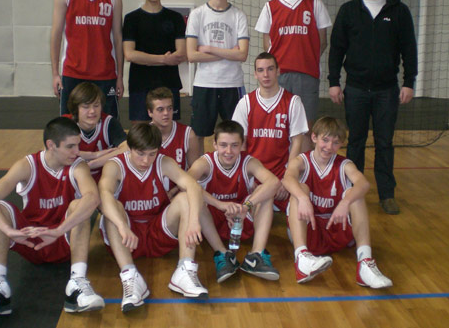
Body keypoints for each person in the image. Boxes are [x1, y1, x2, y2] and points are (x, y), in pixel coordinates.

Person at [0, 117, 104, 315]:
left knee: (80, 206)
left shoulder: (78, 166)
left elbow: (93, 198)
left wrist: (58, 231)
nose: (77, 152)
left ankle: (76, 283)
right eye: (70, 146)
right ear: (51, 145)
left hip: (64, 240)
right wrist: (8, 231)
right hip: (30, 240)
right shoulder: (28, 165)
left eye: (78, 145)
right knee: (0, 207)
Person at [328, 0, 418, 215]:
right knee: (355, 142)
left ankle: (387, 195)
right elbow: (337, 49)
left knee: (384, 143)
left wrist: (409, 82)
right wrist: (334, 82)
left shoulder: (399, 11)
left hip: (386, 90)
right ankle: (352, 193)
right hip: (355, 89)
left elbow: (409, 49)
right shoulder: (348, 11)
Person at [97, 123, 208, 313]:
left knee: (185, 198)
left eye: (152, 154)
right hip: (128, 235)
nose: (146, 160)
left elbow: (193, 186)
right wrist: (122, 226)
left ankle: (185, 269)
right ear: (129, 148)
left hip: (157, 229)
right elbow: (103, 195)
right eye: (140, 154)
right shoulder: (114, 165)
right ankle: (130, 276)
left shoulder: (164, 162)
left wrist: (193, 221)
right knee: (112, 208)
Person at [282, 116, 393, 288]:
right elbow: (287, 179)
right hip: (309, 230)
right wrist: (303, 198)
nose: (329, 147)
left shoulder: (344, 165)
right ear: (314, 137)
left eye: (335, 143)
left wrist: (345, 202)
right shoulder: (301, 161)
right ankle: (302, 258)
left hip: (336, 229)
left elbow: (363, 183)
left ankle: (364, 263)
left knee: (354, 195)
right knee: (299, 189)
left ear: (341, 144)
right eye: (325, 140)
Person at [255, 0, 332, 152]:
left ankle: (302, 168)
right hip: (278, 76)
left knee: (305, 128)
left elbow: (322, 41)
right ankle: (279, 166)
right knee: (278, 126)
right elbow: (267, 44)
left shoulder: (315, 3)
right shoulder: (270, 7)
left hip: (307, 75)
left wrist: (305, 57)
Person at [188, 120, 280, 283]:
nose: (228, 151)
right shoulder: (205, 163)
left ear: (242, 145)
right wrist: (220, 204)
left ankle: (256, 255)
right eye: (223, 145)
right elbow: (186, 183)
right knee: (195, 198)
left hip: (240, 219)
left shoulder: (249, 162)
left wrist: (245, 207)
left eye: (234, 145)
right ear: (214, 144)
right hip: (212, 221)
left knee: (266, 193)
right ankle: (222, 254)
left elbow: (274, 182)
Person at [50, 0, 124, 118]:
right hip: (73, 72)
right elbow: (56, 36)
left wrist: (120, 76)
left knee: (108, 124)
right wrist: (55, 74)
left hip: (105, 73)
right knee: (69, 125)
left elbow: (118, 39)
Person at [186, 0, 250, 156]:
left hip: (232, 83)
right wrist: (228, 52)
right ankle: (198, 171)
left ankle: (237, 170)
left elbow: (242, 54)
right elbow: (191, 55)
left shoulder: (238, 15)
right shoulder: (197, 15)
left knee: (237, 133)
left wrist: (209, 49)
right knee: (198, 133)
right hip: (205, 83)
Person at [232, 52, 308, 211]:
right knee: (242, 214)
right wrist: (248, 178)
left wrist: (288, 179)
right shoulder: (245, 103)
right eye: (260, 70)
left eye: (270, 69)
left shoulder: (293, 102)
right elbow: (240, 144)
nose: (265, 74)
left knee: (300, 208)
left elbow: (297, 143)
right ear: (255, 74)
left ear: (278, 71)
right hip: (254, 176)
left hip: (282, 176)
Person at [123, 0, 187, 123]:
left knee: (168, 130)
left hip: (168, 83)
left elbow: (181, 53)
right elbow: (130, 54)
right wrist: (163, 59)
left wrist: (146, 59)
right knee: (141, 132)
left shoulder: (175, 18)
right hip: (140, 84)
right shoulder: (131, 19)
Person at [64, 82, 128, 180]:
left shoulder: (109, 123)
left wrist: (93, 163)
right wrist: (94, 155)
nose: (92, 111)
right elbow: (53, 152)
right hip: (72, 178)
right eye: (86, 107)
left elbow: (127, 148)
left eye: (96, 105)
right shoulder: (65, 123)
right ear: (76, 108)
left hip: (104, 178)